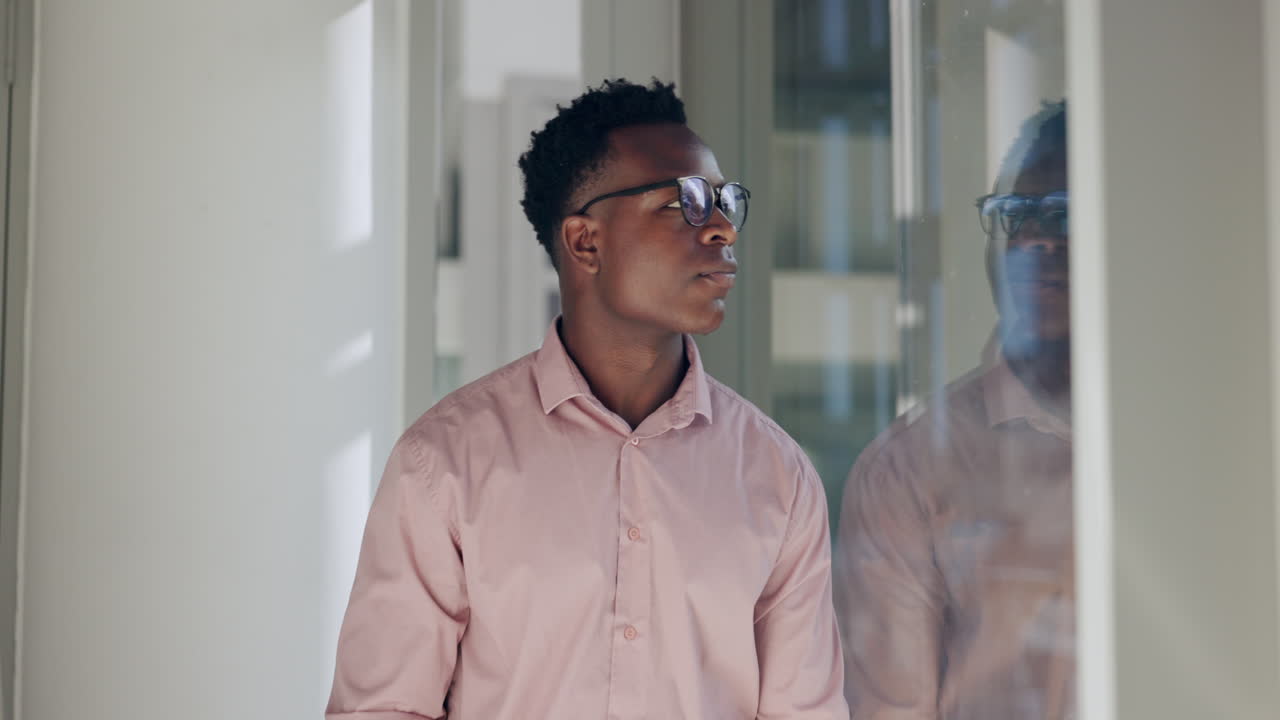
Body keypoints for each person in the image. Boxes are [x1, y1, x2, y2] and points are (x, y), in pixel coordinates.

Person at [326, 79, 847, 720]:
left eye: (723, 201)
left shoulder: (778, 476)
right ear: (585, 242)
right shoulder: (445, 464)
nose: (719, 228)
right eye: (684, 202)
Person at [835, 101, 1073, 720]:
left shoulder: (1209, 439)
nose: (1034, 240)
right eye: (1014, 215)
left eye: (1064, 215)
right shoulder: (910, 468)